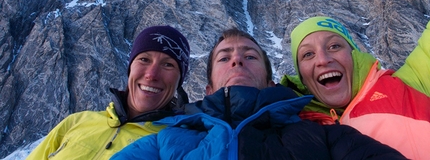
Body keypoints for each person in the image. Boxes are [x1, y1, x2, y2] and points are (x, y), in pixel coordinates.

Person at [111, 28, 406, 160]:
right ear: (209, 89)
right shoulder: (162, 143)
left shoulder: (325, 137)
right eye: (224, 58)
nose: (237, 60)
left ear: (269, 82)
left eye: (249, 56)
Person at [26, 25, 190, 160]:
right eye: (144, 59)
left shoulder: (177, 145)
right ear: (130, 67)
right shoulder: (75, 122)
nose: (152, 75)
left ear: (179, 80)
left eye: (168, 64)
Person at [280, 16, 430, 160]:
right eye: (308, 54)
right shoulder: (290, 129)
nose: (323, 60)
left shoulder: (410, 84)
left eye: (334, 46)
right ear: (302, 77)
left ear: (354, 55)